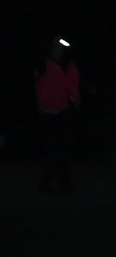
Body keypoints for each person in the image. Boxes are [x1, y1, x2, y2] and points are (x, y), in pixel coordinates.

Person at [34, 38, 81, 194]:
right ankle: (55, 184)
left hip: (63, 113)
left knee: (60, 150)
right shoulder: (43, 65)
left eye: (60, 49)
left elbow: (72, 88)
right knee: (55, 151)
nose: (57, 51)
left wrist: (73, 106)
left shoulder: (68, 66)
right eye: (55, 48)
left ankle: (57, 184)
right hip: (47, 114)